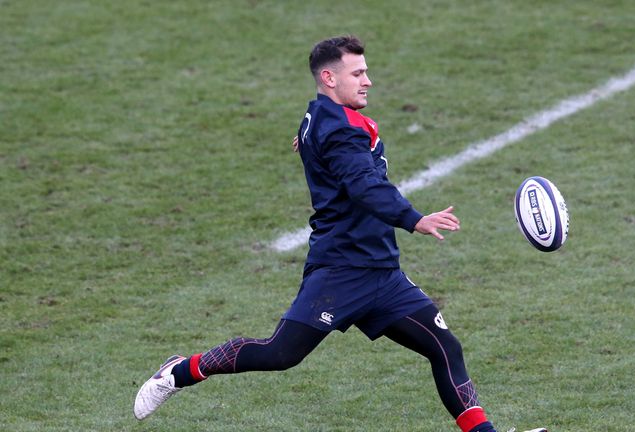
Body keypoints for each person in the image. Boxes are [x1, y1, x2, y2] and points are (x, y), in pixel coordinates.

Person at [134, 35, 546, 432]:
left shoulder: (325, 117)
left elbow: (319, 131)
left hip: (383, 273)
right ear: (330, 78)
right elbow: (364, 186)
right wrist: (414, 218)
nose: (368, 81)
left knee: (445, 348)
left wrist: (311, 139)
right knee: (280, 354)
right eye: (358, 73)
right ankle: (180, 371)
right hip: (341, 270)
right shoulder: (339, 130)